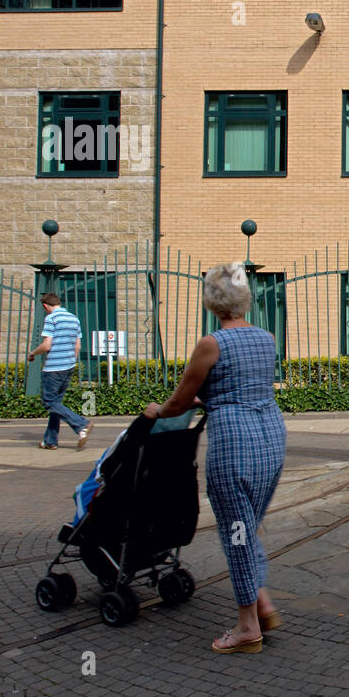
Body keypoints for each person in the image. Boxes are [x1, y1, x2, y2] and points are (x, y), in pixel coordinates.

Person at [143, 263, 287, 654]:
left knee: (236, 534)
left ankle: (246, 628)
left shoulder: (211, 344)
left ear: (211, 301)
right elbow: (241, 385)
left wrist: (156, 411)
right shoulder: (266, 338)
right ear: (245, 298)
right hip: (271, 440)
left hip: (234, 445)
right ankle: (262, 602)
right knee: (249, 526)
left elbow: (181, 400)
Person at [28, 293, 92, 451]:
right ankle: (50, 441)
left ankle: (81, 424)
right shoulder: (73, 318)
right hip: (68, 366)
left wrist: (33, 353)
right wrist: (71, 361)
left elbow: (46, 345)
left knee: (48, 402)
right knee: (56, 404)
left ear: (45, 306)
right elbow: (78, 346)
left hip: (53, 368)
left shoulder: (51, 318)